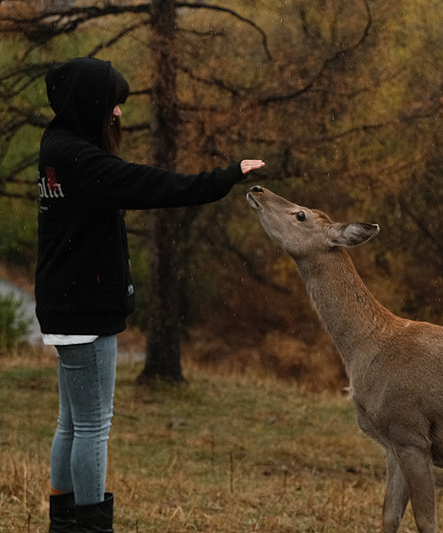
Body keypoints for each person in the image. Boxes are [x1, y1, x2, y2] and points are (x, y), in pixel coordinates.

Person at [36, 56, 263, 533]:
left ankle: (64, 522)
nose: (118, 115)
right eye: (113, 105)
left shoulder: (56, 146)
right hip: (85, 310)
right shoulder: (82, 161)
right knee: (94, 425)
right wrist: (222, 178)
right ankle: (90, 526)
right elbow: (153, 184)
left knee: (72, 423)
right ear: (91, 105)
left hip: (64, 305)